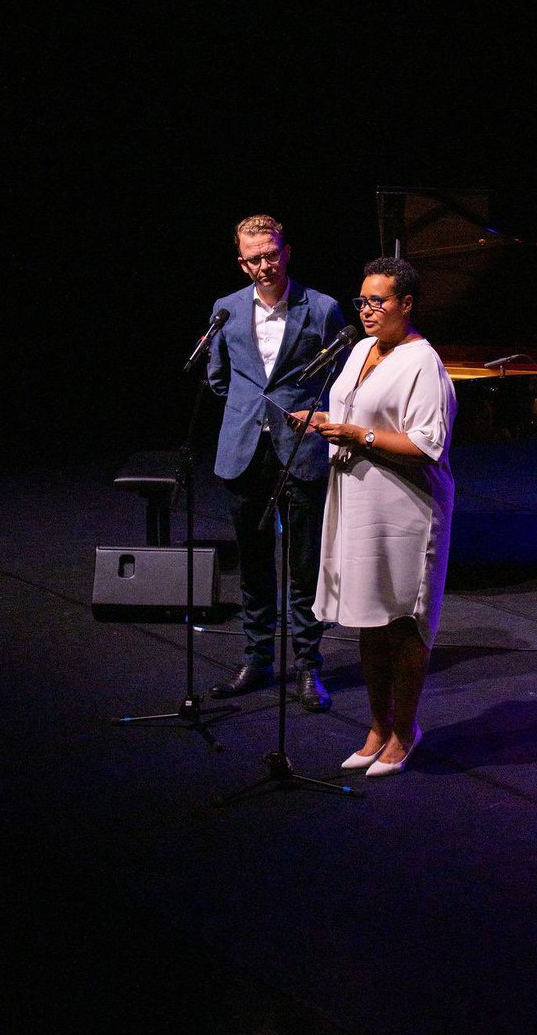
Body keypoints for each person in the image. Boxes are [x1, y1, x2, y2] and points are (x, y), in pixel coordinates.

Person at [299, 256, 456, 772]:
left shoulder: (423, 363)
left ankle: (405, 731)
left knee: (402, 620)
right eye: (362, 301)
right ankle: (378, 725)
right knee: (368, 616)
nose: (366, 311)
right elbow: (356, 413)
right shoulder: (361, 349)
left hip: (406, 509)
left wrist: (357, 435)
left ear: (405, 304)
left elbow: (427, 445)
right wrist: (323, 421)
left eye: (378, 301)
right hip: (358, 500)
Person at [207, 214, 347, 710]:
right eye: (255, 258)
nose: (265, 265)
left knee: (305, 564)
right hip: (245, 447)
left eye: (271, 254)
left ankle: (308, 665)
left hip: (301, 448)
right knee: (253, 562)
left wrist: (316, 415)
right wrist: (249, 410)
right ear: (242, 263)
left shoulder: (322, 307)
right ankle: (257, 658)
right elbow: (219, 377)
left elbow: (341, 376)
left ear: (286, 252)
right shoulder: (226, 308)